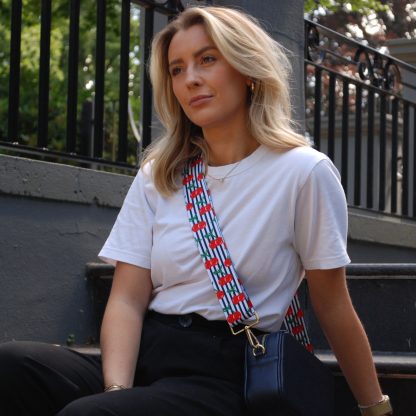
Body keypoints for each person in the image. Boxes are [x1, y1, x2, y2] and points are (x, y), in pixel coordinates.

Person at [0, 6, 392, 416]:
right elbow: (127, 299)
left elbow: (332, 303)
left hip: (228, 372)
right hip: (150, 354)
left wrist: (374, 406)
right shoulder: (161, 173)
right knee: (12, 367)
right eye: (176, 69)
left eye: (208, 59)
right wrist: (116, 390)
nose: (191, 79)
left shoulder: (303, 172)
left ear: (247, 70)